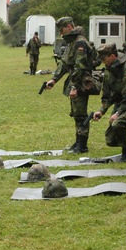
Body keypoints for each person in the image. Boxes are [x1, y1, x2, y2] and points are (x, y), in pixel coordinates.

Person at [88, 43, 126, 161]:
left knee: (118, 123)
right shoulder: (108, 71)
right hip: (121, 104)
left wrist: (117, 114)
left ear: (112, 56)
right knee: (110, 140)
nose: (102, 62)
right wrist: (101, 111)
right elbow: (107, 96)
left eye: (104, 59)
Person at [44, 17, 97, 153]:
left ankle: (82, 145)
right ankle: (78, 142)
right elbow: (64, 63)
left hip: (80, 82)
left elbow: (80, 67)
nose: (61, 33)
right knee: (76, 113)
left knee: (80, 115)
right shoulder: (72, 42)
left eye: (62, 30)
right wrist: (54, 79)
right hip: (75, 81)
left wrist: (74, 87)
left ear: (69, 26)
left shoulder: (80, 42)